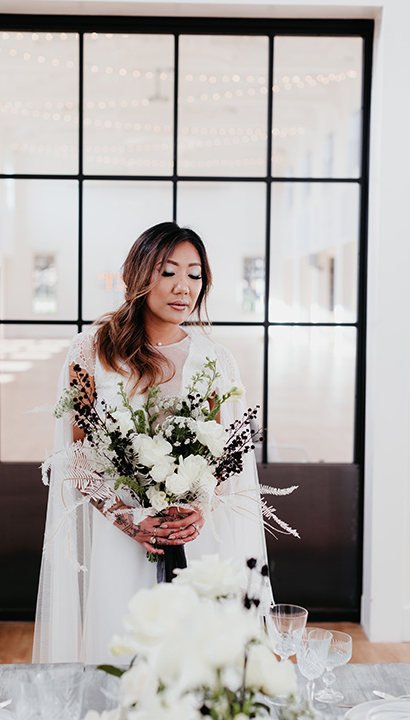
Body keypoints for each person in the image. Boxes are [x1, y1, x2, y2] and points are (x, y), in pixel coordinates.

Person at [33, 221, 271, 665]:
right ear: (139, 275)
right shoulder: (91, 351)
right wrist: (129, 520)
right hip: (122, 539)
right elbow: (78, 453)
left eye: (195, 274)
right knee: (122, 654)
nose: (184, 287)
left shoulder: (216, 360)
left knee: (194, 663)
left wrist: (200, 509)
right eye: (168, 271)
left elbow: (224, 458)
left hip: (193, 535)